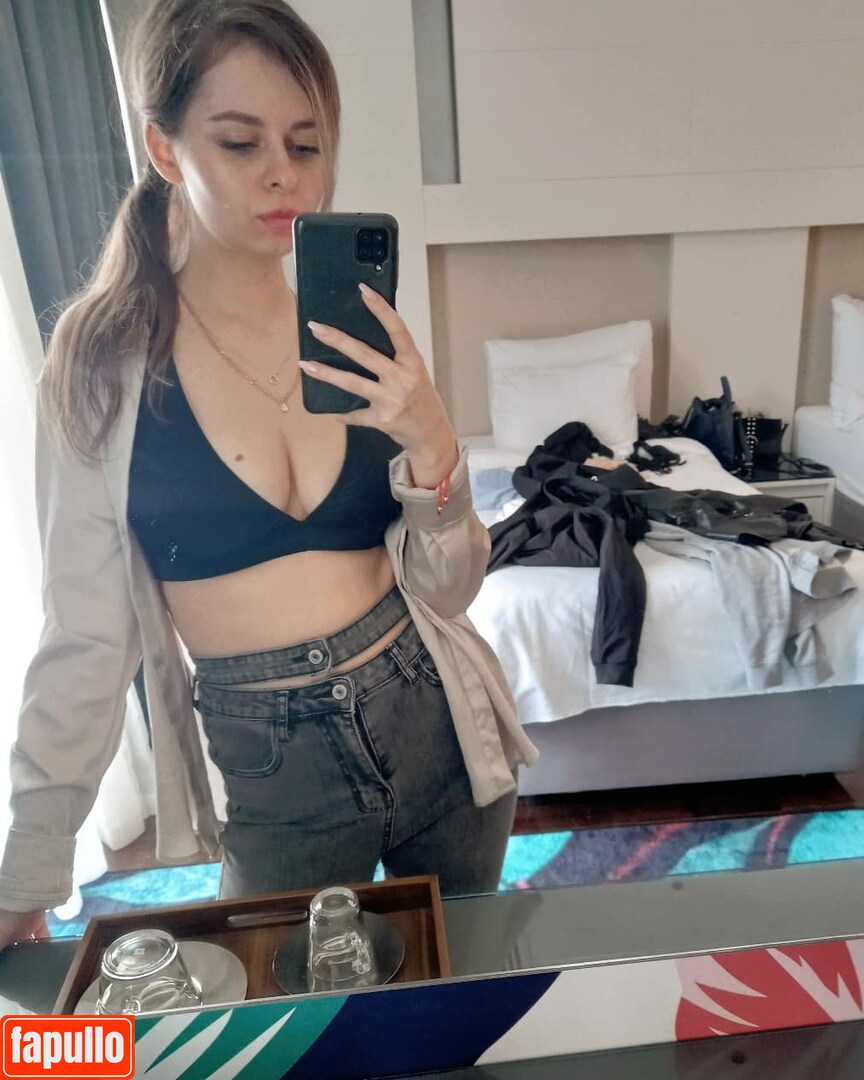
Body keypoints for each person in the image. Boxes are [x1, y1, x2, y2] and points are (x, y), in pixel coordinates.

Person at [0, 0, 537, 948]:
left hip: (441, 727)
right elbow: (84, 638)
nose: (284, 174)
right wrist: (28, 869)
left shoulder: (357, 335)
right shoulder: (102, 368)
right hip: (275, 771)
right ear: (165, 150)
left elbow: (450, 589)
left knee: (462, 983)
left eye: (307, 143)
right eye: (240, 142)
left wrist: (431, 439)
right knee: (282, 1011)